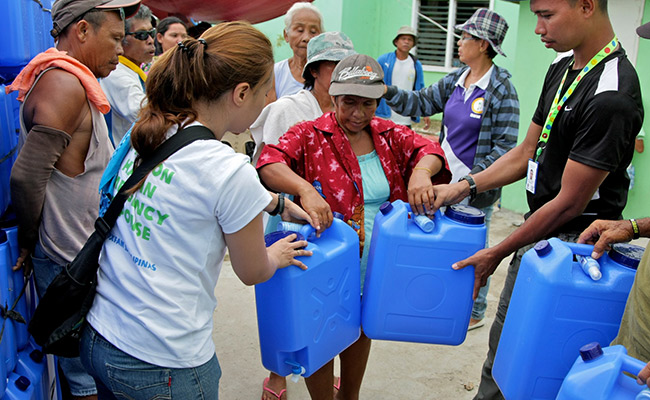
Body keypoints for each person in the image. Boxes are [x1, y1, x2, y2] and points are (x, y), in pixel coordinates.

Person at [78, 21, 314, 399]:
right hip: (163, 363)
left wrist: (274, 202)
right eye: (266, 87)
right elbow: (252, 269)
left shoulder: (153, 129)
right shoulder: (228, 168)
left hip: (100, 335)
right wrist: (278, 254)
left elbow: (188, 187)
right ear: (241, 93)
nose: (270, 98)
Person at [424, 1, 643, 399]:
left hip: (576, 250)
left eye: (546, 15)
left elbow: (569, 204)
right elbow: (527, 150)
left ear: (587, 6)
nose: (538, 28)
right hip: (538, 237)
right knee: (504, 353)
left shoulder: (612, 95)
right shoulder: (563, 68)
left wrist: (497, 252)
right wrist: (463, 186)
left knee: (538, 368)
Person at [257, 54, 451, 400]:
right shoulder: (310, 134)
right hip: (327, 258)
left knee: (362, 327)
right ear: (333, 97)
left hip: (377, 257)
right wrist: (303, 189)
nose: (359, 113)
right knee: (323, 327)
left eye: (368, 104)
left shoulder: (389, 134)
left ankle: (350, 395)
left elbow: (430, 149)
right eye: (349, 103)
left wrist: (421, 172)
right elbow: (269, 162)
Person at [7, 0, 141, 398]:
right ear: (82, 30)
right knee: (84, 378)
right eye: (115, 38)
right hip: (69, 261)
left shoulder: (72, 81)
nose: (121, 49)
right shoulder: (63, 84)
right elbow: (27, 175)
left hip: (77, 257)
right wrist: (29, 242)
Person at [382, 8, 519, 331]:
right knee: (439, 244)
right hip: (443, 183)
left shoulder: (500, 89)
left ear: (483, 44)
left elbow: (505, 149)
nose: (459, 42)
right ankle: (440, 300)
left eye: (466, 37)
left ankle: (474, 308)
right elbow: (419, 103)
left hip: (475, 190)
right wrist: (384, 90)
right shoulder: (456, 80)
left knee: (472, 249)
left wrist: (469, 183)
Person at [251, 30, 355, 400]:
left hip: (335, 226)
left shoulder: (349, 109)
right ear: (314, 70)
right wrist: (303, 192)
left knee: (330, 303)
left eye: (348, 66)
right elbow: (267, 169)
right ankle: (278, 376)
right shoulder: (287, 109)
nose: (343, 73)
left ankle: (324, 372)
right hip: (291, 222)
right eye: (335, 66)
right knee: (288, 302)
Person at [100, 4, 154, 144]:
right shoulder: (116, 73)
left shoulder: (133, 70)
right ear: (121, 39)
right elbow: (145, 114)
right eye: (142, 35)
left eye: (151, 33)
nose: (150, 40)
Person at [267, 2, 323, 103]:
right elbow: (271, 115)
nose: (306, 38)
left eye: (313, 32)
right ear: (286, 35)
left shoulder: (326, 74)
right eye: (300, 30)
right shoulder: (275, 73)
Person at [376, 25, 430, 130]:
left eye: (410, 39)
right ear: (396, 42)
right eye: (403, 39)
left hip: (405, 115)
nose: (406, 42)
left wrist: (425, 111)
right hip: (385, 114)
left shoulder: (415, 64)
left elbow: (420, 88)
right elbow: (374, 82)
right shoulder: (383, 60)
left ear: (413, 44)